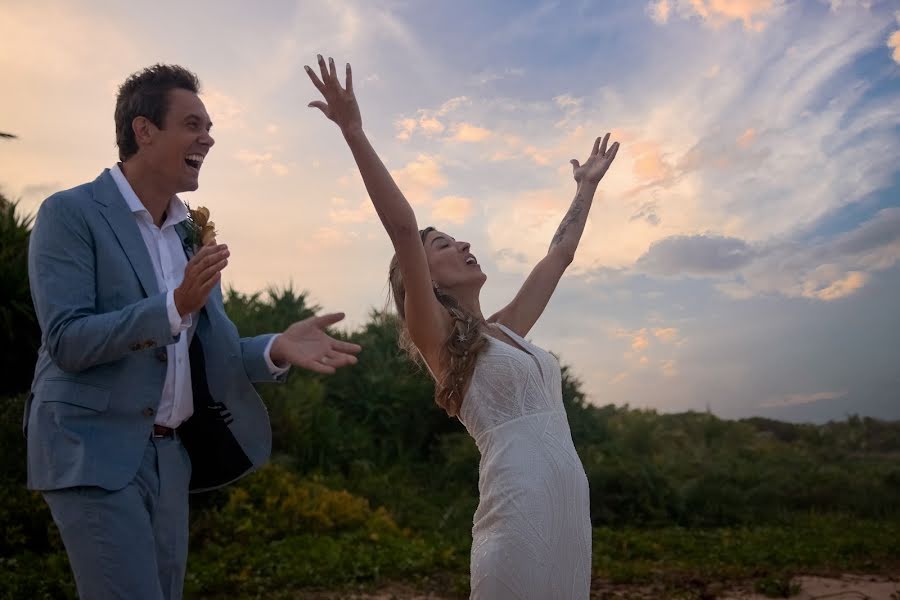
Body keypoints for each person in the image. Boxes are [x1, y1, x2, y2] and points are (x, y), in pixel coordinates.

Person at [25, 63, 361, 600]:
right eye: (193, 124)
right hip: (92, 452)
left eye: (207, 127)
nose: (208, 137)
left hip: (169, 456)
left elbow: (207, 348)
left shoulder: (189, 235)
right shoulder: (70, 214)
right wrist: (173, 304)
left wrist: (276, 346)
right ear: (144, 130)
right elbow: (67, 340)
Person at [305, 55, 619, 599]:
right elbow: (403, 227)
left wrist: (585, 187)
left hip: (569, 511)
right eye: (443, 245)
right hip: (518, 512)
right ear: (421, 275)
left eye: (457, 237)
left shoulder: (507, 332)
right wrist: (354, 131)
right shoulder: (441, 343)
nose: (463, 244)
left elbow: (559, 256)